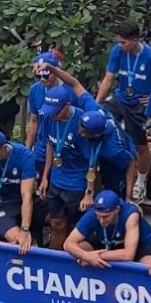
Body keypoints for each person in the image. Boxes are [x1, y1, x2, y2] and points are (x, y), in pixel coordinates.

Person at [95, 21, 151, 203]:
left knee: (141, 146)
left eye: (124, 42)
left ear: (135, 40)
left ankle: (140, 182)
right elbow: (108, 78)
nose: (120, 45)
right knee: (100, 119)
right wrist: (95, 104)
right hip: (120, 98)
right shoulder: (118, 51)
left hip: (140, 105)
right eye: (119, 42)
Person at [40, 83, 103, 248]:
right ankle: (53, 264)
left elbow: (92, 162)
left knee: (76, 229)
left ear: (67, 106)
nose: (51, 115)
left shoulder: (82, 124)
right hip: (56, 180)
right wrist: (45, 177)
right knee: (56, 224)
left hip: (76, 184)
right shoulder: (48, 117)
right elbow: (50, 146)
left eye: (55, 111)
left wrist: (89, 193)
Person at [0, 129, 38, 254]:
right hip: (4, 203)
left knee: (57, 217)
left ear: (4, 148)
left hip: (25, 198)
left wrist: (25, 229)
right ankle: (32, 252)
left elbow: (26, 196)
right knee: (16, 240)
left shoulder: (24, 155)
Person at [63, 190, 151, 267]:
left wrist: (95, 257)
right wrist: (86, 255)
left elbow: (128, 254)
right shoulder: (93, 214)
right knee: (78, 249)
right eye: (98, 216)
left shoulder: (130, 214)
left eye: (106, 217)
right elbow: (68, 243)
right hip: (108, 242)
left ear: (117, 209)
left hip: (141, 244)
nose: (101, 221)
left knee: (148, 266)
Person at [25, 52, 70, 178]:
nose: (42, 80)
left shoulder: (69, 91)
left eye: (46, 76)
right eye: (38, 76)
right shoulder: (35, 90)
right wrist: (27, 149)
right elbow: (34, 121)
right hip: (41, 150)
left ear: (55, 71)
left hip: (64, 150)